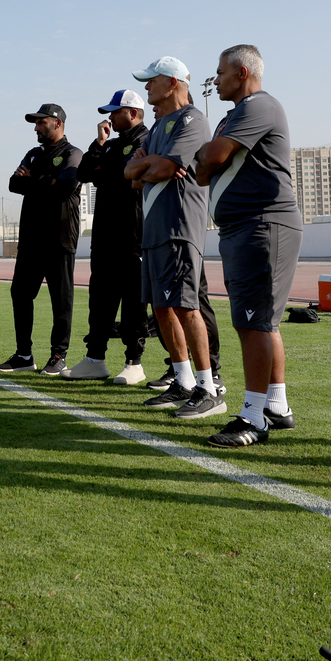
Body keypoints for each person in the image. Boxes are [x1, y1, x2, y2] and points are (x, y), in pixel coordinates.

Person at [193, 45, 303, 447]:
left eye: (220, 72)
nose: (216, 79)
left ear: (241, 72)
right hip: (244, 227)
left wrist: (208, 154)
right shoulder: (234, 114)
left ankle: (254, 418)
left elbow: (213, 155)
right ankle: (275, 405)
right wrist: (207, 157)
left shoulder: (257, 106)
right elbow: (204, 172)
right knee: (258, 320)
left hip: (263, 224)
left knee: (253, 321)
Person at [124, 58, 224, 420]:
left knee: (186, 306)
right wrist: (150, 166)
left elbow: (163, 169)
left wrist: (149, 165)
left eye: (151, 82)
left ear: (171, 82)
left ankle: (208, 387)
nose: (147, 88)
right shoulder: (155, 129)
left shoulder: (193, 120)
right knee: (162, 308)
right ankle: (182, 380)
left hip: (180, 227)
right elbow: (131, 175)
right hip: (154, 229)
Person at [66, 89, 150, 384]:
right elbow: (85, 173)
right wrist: (99, 144)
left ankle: (133, 361)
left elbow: (127, 174)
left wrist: (111, 170)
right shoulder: (111, 145)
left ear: (133, 113)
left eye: (115, 112)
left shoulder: (147, 140)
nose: (110, 117)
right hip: (104, 235)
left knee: (133, 301)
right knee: (100, 298)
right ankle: (95, 359)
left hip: (133, 234)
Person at [0, 103, 84, 375]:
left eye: (41, 122)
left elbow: (66, 187)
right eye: (35, 123)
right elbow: (14, 184)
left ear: (57, 123)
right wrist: (47, 181)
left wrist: (33, 180)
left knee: (61, 300)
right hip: (31, 240)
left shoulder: (73, 154)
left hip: (59, 239)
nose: (36, 127)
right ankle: (24, 355)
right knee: (20, 294)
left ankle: (59, 355)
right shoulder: (33, 154)